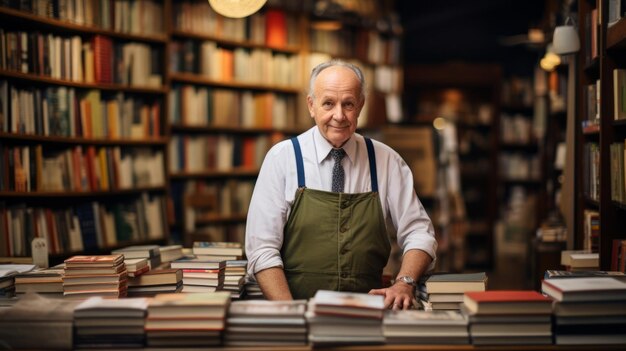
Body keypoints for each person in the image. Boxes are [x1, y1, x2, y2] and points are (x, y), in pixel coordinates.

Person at [245, 59, 437, 310]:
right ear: (311, 105)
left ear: (361, 106)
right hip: (295, 309)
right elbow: (262, 250)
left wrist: (405, 282)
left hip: (368, 312)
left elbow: (419, 233)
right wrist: (289, 314)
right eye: (328, 103)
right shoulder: (282, 158)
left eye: (348, 104)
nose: (339, 116)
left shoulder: (386, 160)